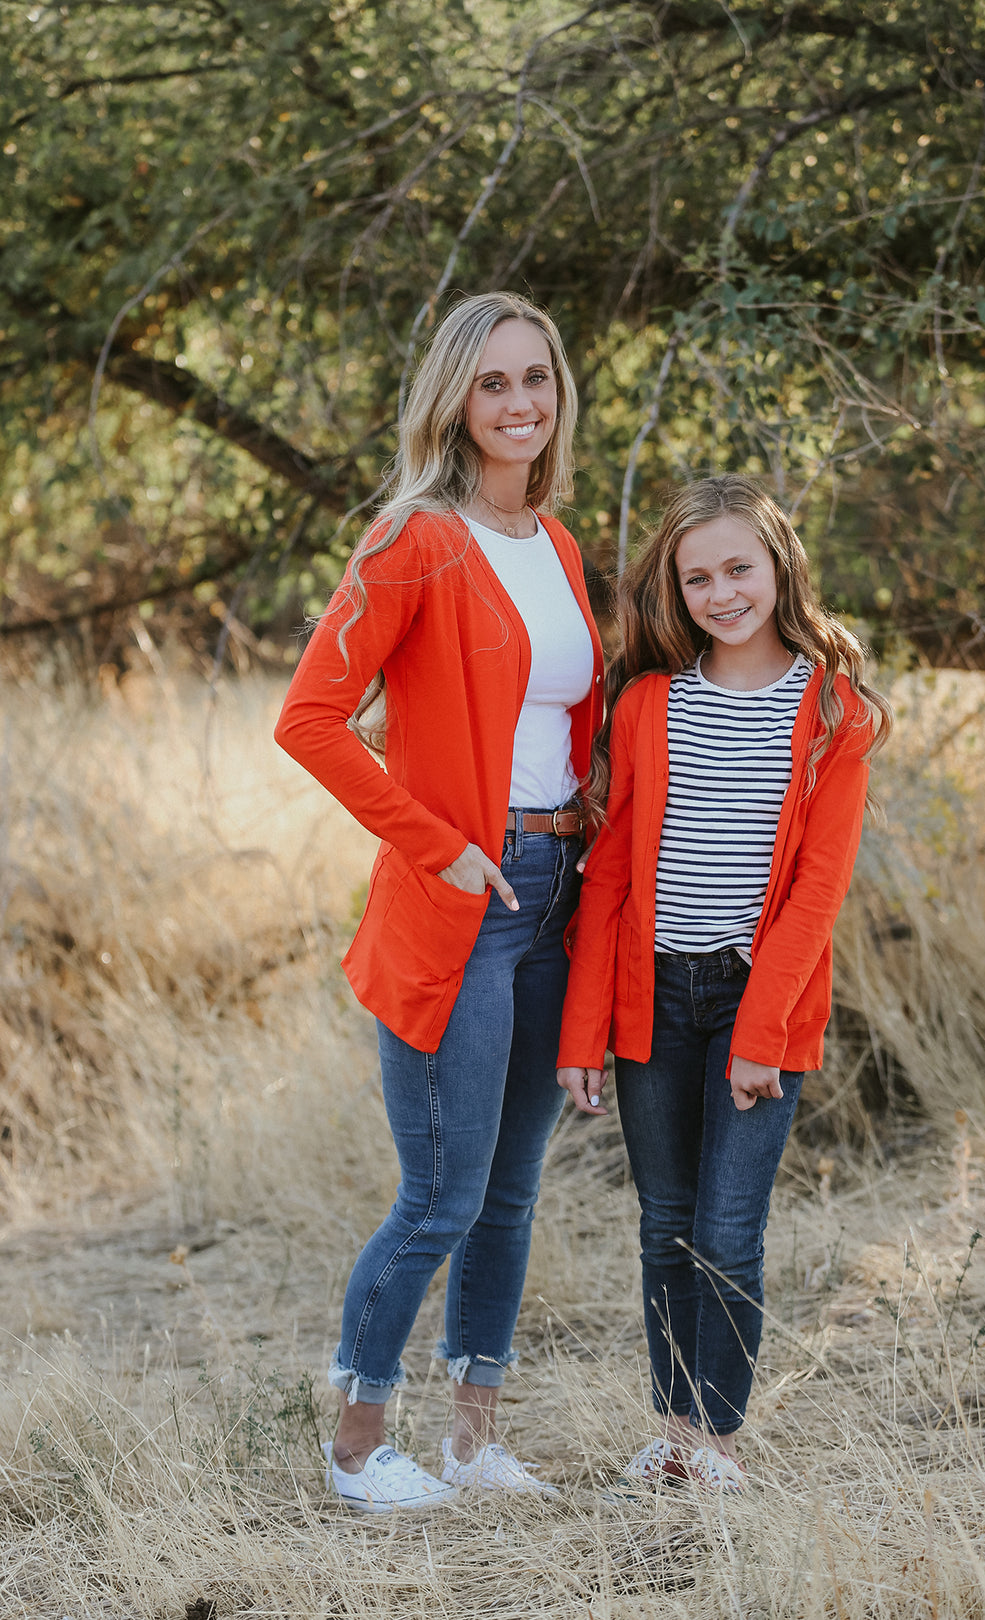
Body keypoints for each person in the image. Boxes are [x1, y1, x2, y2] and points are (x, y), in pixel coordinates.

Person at [275, 292, 603, 1512]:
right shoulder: (413, 539)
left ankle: (472, 1440)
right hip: (458, 902)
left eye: (537, 380)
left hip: (553, 898)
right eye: (493, 384)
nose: (519, 404)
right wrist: (440, 844)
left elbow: (565, 731)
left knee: (511, 1192)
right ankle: (357, 1449)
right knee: (441, 1196)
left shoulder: (558, 546)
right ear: (454, 400)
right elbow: (309, 718)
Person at [555, 475, 891, 1493]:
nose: (721, 591)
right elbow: (608, 876)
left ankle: (716, 1446)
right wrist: (581, 1037)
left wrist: (761, 1030)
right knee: (665, 1225)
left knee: (727, 1232)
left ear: (780, 565)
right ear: (676, 588)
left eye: (739, 567)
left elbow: (819, 888)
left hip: (759, 1006)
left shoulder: (834, 711)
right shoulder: (650, 703)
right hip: (651, 998)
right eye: (698, 576)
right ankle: (669, 1433)